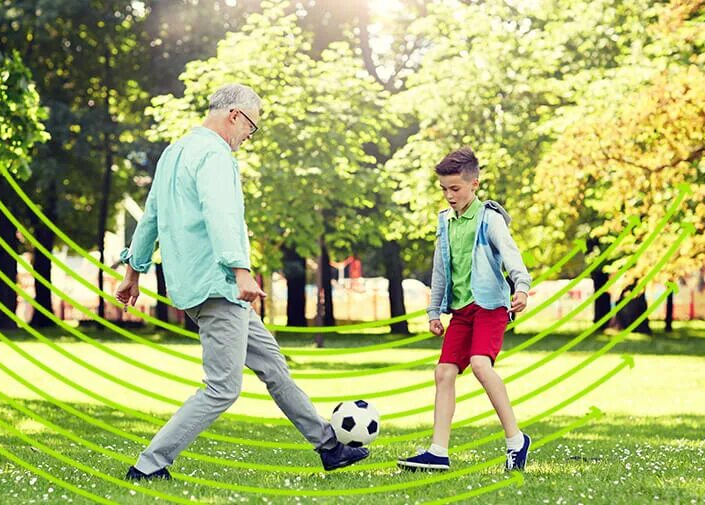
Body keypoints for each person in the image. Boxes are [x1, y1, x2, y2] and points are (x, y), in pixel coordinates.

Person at [115, 83, 368, 480]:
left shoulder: (174, 152)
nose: (248, 138)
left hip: (199, 284)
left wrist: (134, 271)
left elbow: (151, 217)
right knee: (222, 388)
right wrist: (240, 271)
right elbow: (221, 215)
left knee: (274, 368)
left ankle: (328, 447)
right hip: (219, 284)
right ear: (234, 115)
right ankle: (148, 466)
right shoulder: (215, 154)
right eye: (251, 128)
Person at [397, 147, 533, 473]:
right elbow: (441, 269)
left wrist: (522, 287)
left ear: (475, 184)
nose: (449, 195)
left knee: (480, 364)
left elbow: (511, 255)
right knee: (443, 372)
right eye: (444, 189)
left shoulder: (490, 218)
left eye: (455, 188)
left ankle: (516, 440)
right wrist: (433, 311)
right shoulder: (445, 222)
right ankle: (438, 452)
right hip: (461, 311)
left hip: (489, 307)